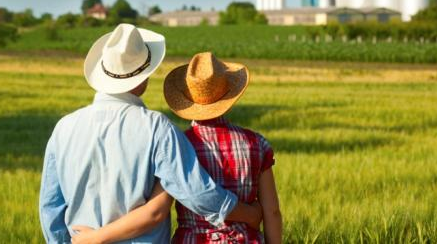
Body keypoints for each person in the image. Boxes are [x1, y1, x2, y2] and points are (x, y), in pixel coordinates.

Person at [39, 24, 261, 243]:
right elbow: (196, 193)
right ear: (144, 76)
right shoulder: (156, 127)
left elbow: (50, 207)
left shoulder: (63, 128)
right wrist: (249, 214)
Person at [72, 52, 282, 243]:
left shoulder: (176, 143)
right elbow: (272, 212)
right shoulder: (257, 144)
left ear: (188, 99)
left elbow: (160, 206)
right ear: (228, 96)